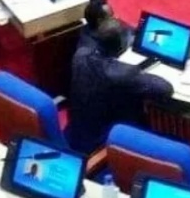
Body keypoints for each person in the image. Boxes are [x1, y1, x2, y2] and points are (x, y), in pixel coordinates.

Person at [65, 19, 174, 154]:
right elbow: (165, 89)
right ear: (121, 46)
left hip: (76, 134)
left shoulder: (80, 55)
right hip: (103, 144)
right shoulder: (124, 73)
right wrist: (139, 73)